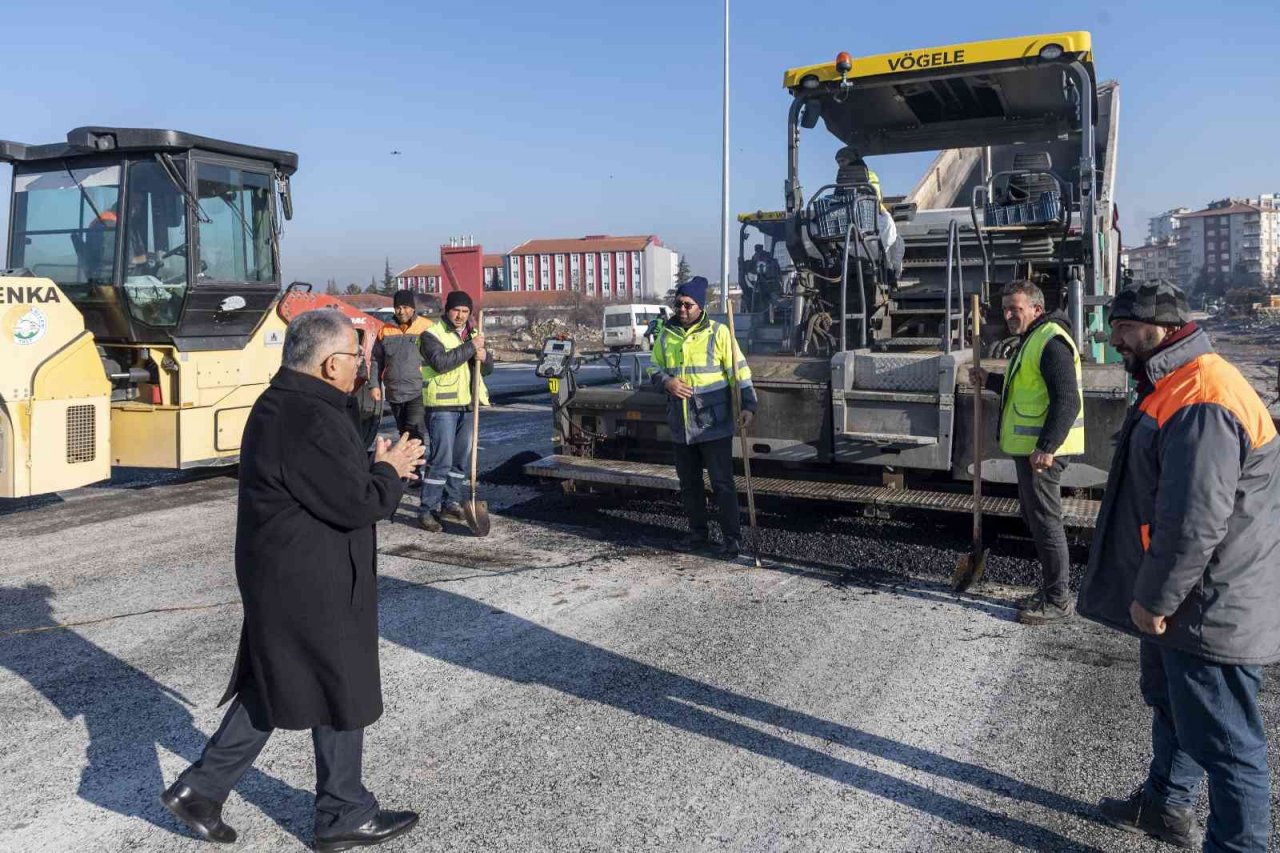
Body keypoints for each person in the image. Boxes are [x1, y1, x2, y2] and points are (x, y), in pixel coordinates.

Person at [160, 310, 424, 851]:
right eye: (357, 357)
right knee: (339, 681)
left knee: (272, 683)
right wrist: (391, 470)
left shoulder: (290, 404)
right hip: (311, 578)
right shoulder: (309, 415)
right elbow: (355, 503)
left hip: (285, 572)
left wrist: (369, 461)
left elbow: (327, 482)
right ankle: (344, 812)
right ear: (331, 364)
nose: (361, 367)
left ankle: (201, 792)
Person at [1078, 280, 1279, 852]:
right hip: (1195, 594)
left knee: (1229, 743)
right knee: (1176, 708)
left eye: (1124, 327)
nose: (1113, 337)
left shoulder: (1203, 397)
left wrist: (1156, 599)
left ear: (1161, 329)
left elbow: (1194, 521)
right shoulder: (1176, 381)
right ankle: (1166, 806)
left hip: (1210, 602)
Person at [969, 280, 1084, 625]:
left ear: (1036, 308)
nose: (1008, 315)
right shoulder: (1033, 339)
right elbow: (1023, 387)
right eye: (1005, 308)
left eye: (1015, 308)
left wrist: (1046, 447)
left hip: (1042, 455)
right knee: (1037, 519)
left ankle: (1058, 600)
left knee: (1047, 522)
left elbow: (1068, 399)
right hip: (1033, 452)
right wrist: (988, 380)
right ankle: (1052, 591)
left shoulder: (1050, 342)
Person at [650, 276, 757, 559]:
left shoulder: (719, 333)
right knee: (690, 484)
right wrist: (667, 382)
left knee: (722, 483)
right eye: (679, 304)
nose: (682, 309)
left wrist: (748, 404)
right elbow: (653, 367)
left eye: (688, 304)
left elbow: (740, 372)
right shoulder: (666, 334)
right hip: (681, 424)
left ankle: (732, 539)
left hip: (713, 423)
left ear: (700, 306)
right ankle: (698, 534)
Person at [417, 289, 493, 532]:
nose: (460, 315)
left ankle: (450, 501)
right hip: (442, 406)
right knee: (441, 460)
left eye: (465, 311)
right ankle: (427, 509)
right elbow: (441, 363)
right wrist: (471, 347)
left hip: (468, 404)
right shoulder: (431, 334)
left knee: (460, 461)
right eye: (456, 310)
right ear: (446, 309)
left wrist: (484, 356)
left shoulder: (473, 334)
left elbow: (487, 369)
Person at [371, 290, 434, 448]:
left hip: (419, 391)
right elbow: (376, 360)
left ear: (413, 308)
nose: (401, 311)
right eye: (398, 307)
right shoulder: (385, 330)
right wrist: (374, 385)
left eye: (405, 307)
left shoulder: (427, 327)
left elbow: (437, 357)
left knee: (414, 431)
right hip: (394, 392)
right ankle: (410, 469)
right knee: (403, 433)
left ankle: (415, 471)